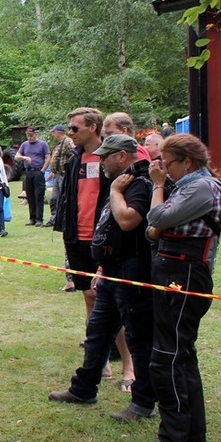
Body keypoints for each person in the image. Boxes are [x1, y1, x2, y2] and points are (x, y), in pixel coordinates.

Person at [48, 134, 157, 425]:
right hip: (111, 269)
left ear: (122, 156)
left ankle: (143, 402)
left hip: (133, 271)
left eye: (106, 156)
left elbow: (128, 220)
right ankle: (84, 388)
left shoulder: (139, 183)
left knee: (137, 337)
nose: (101, 161)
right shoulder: (122, 182)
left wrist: (115, 193)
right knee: (97, 332)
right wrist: (101, 267)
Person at [146, 134, 221, 442]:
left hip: (183, 275)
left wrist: (157, 189)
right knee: (180, 355)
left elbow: (156, 220)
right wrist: (160, 219)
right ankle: (192, 434)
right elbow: (152, 229)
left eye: (167, 163)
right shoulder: (190, 188)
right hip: (173, 269)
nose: (162, 169)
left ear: (187, 162)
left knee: (166, 357)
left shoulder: (200, 188)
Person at [54, 107, 132, 382]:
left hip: (105, 239)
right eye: (70, 128)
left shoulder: (111, 157)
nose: (71, 134)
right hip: (77, 237)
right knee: (89, 297)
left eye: (75, 128)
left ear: (94, 128)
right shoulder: (74, 158)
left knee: (113, 299)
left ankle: (128, 365)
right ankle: (99, 360)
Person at [15, 126, 51, 226]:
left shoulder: (42, 144)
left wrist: (43, 170)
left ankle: (39, 219)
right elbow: (16, 157)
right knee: (30, 195)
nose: (29, 137)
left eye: (31, 135)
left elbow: (48, 157)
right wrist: (24, 157)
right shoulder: (24, 145)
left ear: (36, 134)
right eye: (28, 135)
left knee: (38, 195)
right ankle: (32, 218)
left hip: (38, 172)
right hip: (28, 172)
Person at [46, 124, 75, 228]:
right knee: (54, 199)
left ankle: (63, 219)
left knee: (63, 197)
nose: (53, 134)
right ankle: (55, 218)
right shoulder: (59, 144)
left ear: (59, 132)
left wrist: (68, 169)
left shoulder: (67, 142)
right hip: (57, 175)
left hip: (63, 175)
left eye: (54, 132)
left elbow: (74, 155)